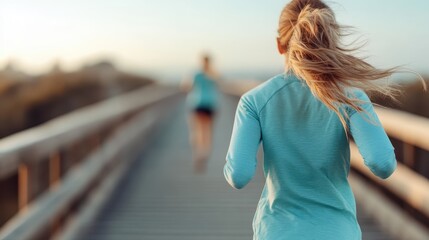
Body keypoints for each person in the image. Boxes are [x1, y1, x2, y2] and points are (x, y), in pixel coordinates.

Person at [223, 0, 399, 239]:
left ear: (279, 45)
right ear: (332, 41)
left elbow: (238, 175)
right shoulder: (351, 97)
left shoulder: (254, 100)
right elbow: (382, 163)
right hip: (338, 232)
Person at [185, 54, 218, 173]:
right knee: (208, 130)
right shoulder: (213, 74)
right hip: (210, 104)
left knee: (197, 130)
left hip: (197, 103)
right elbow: (219, 85)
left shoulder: (196, 74)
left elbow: (186, 87)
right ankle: (205, 153)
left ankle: (198, 153)